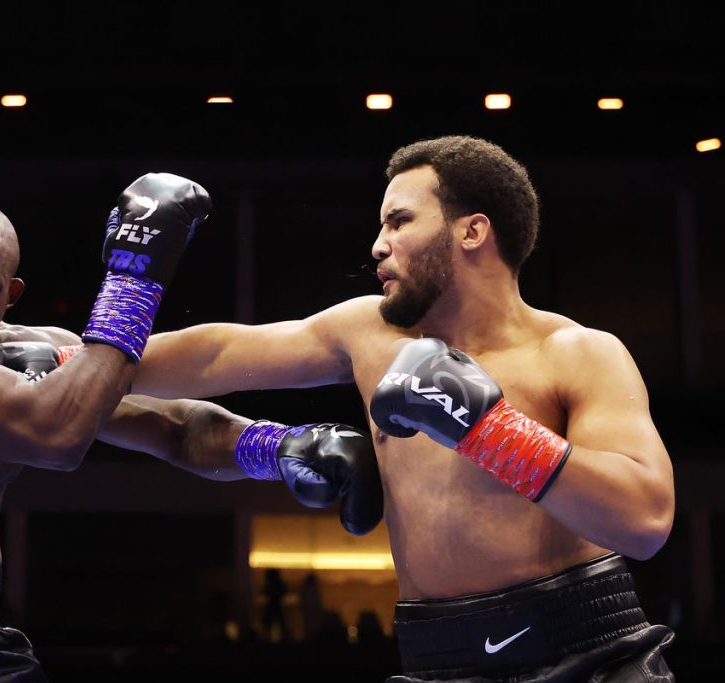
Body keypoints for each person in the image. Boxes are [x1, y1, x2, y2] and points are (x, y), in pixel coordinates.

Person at [0, 173, 384, 682]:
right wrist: (134, 279)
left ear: (12, 294)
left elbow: (172, 426)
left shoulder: (32, 351)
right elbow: (53, 436)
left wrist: (287, 446)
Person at [132, 136, 676, 681]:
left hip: (586, 656)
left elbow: (645, 520)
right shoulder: (370, 332)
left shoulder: (575, 353)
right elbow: (217, 355)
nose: (377, 245)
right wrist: (67, 360)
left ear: (472, 231)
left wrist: (490, 432)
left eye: (399, 221)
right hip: (435, 658)